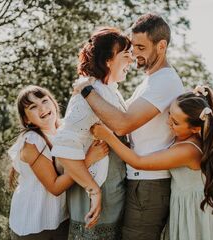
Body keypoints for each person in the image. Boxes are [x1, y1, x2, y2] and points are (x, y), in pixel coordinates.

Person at [73, 13, 184, 239]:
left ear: (161, 46)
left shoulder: (165, 81)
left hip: (150, 184)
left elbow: (122, 125)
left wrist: (86, 90)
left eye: (141, 47)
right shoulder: (150, 80)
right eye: (133, 47)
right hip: (137, 179)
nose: (134, 54)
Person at [91, 86, 213, 240]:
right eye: (169, 114)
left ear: (195, 129)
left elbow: (139, 162)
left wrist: (108, 136)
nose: (168, 122)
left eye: (175, 122)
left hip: (194, 209)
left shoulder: (188, 151)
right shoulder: (187, 137)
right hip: (183, 204)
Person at [51, 27, 133, 239]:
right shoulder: (89, 94)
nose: (131, 61)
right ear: (108, 60)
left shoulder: (110, 91)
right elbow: (63, 145)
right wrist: (93, 190)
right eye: (126, 56)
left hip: (113, 188)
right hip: (95, 190)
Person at [8, 85, 109, 240]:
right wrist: (88, 160)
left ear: (54, 103)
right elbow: (54, 187)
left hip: (59, 217)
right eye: (33, 107)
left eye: (44, 101)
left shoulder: (62, 130)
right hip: (33, 221)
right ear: (27, 119)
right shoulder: (32, 141)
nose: (42, 108)